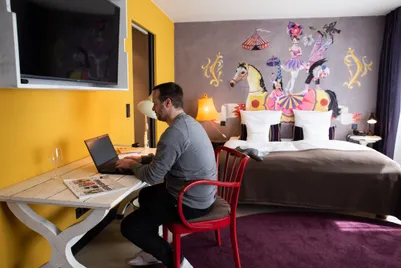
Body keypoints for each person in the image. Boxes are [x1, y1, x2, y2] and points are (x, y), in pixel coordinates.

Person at [115, 82, 217, 268]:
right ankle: (151, 250)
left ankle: (177, 262)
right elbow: (167, 157)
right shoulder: (188, 123)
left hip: (190, 202)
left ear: (167, 103)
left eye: (155, 103)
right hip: (201, 193)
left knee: (130, 227)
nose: (153, 108)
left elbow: (153, 176)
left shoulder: (174, 133)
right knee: (146, 195)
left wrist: (131, 165)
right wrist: (141, 158)